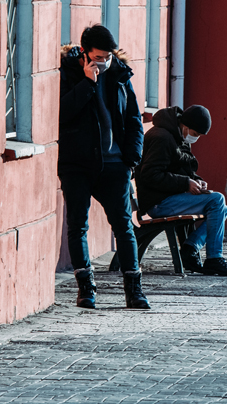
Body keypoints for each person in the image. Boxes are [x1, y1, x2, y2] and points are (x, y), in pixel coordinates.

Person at [58, 25, 149, 309]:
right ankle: (86, 289)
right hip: (78, 164)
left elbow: (134, 119)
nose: (103, 61)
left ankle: (134, 290)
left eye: (107, 56)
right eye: (98, 56)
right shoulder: (68, 73)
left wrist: (131, 159)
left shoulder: (120, 74)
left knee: (123, 226)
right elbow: (62, 113)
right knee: (77, 226)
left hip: (114, 164)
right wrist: (87, 82)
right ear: (85, 53)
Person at [136, 105, 227, 276]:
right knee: (217, 201)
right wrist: (186, 183)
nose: (195, 138)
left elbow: (182, 169)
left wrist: (197, 182)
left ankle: (190, 248)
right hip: (158, 203)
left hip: (169, 197)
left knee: (221, 208)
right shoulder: (162, 138)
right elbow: (150, 175)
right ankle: (213, 259)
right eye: (195, 134)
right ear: (185, 126)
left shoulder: (176, 135)